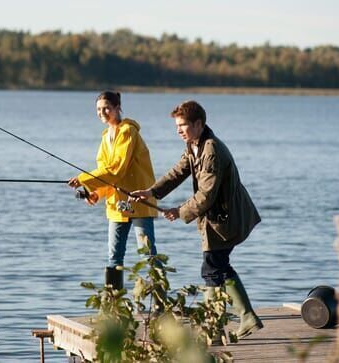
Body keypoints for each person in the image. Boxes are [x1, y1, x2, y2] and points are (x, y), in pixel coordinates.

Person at [131, 100, 263, 339]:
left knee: (213, 268)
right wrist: (151, 192)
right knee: (215, 269)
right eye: (177, 126)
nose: (178, 130)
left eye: (183, 125)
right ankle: (220, 325)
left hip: (226, 220)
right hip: (216, 220)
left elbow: (206, 195)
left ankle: (234, 320)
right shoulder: (194, 145)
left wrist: (179, 211)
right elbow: (178, 172)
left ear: (199, 124)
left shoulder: (211, 150)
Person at [68, 91, 159, 291]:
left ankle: (161, 304)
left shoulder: (128, 132)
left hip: (138, 201)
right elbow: (105, 173)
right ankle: (113, 304)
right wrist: (96, 193)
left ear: (118, 108)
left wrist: (83, 178)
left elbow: (116, 169)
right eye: (99, 109)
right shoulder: (104, 137)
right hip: (117, 204)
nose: (102, 112)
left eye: (106, 108)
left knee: (147, 255)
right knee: (114, 256)